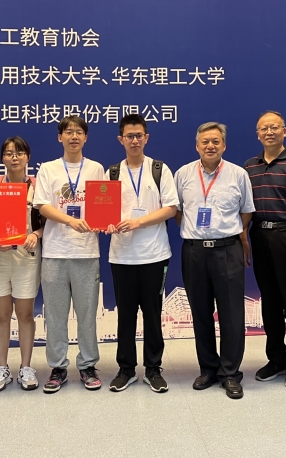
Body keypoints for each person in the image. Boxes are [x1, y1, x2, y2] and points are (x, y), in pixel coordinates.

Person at [174, 122, 255, 399]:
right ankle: (208, 368)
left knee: (232, 314)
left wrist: (232, 233)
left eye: (216, 142)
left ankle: (230, 373)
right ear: (197, 146)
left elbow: (246, 211)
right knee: (200, 312)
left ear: (224, 146)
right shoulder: (183, 174)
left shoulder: (238, 174)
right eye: (205, 142)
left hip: (228, 249)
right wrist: (195, 232)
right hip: (194, 251)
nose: (210, 146)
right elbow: (177, 211)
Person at [104, 114, 179, 393]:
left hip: (154, 255)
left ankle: (153, 369)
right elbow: (104, 210)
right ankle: (126, 369)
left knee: (152, 313)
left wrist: (138, 222)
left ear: (146, 138)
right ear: (120, 139)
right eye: (129, 136)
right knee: (125, 315)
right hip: (122, 255)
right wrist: (107, 223)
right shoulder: (112, 173)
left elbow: (170, 208)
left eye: (139, 136)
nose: (134, 140)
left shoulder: (159, 169)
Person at [32, 115, 105, 393]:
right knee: (55, 315)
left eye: (79, 132)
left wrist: (105, 220)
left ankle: (87, 365)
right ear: (59, 137)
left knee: (87, 314)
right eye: (68, 132)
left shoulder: (96, 168)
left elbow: (104, 204)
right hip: (55, 252)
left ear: (86, 138)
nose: (74, 136)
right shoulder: (48, 169)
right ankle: (58, 367)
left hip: (86, 252)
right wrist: (70, 220)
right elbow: (42, 205)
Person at [243, 111, 286, 389]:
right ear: (257, 134)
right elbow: (246, 207)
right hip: (260, 235)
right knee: (269, 303)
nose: (269, 132)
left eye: (274, 127)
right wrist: (244, 238)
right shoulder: (250, 166)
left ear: (284, 131)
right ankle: (276, 359)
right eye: (264, 128)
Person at [0, 137, 45, 393]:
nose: (15, 157)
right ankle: (2, 368)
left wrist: (36, 234)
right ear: (2, 158)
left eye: (20, 152)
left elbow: (49, 221)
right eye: (9, 153)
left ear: (28, 157)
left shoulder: (37, 186)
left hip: (26, 257)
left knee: (25, 314)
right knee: (1, 315)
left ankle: (26, 367)